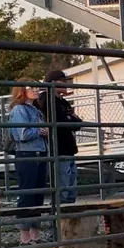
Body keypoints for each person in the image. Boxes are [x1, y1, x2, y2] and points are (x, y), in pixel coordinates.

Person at [8, 81, 49, 245]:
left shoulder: (36, 110)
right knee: (27, 193)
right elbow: (21, 134)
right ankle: (24, 236)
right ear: (22, 91)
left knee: (38, 194)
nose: (36, 90)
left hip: (40, 152)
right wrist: (40, 130)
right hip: (27, 153)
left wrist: (42, 131)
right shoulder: (19, 110)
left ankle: (35, 234)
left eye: (36, 87)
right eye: (31, 88)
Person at [34, 70, 83, 204]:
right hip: (57, 147)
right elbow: (61, 122)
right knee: (63, 186)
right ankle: (56, 221)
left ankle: (67, 219)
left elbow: (76, 122)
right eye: (63, 81)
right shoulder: (46, 99)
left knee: (71, 185)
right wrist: (69, 120)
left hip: (68, 147)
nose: (67, 84)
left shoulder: (62, 101)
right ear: (54, 82)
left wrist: (69, 120)